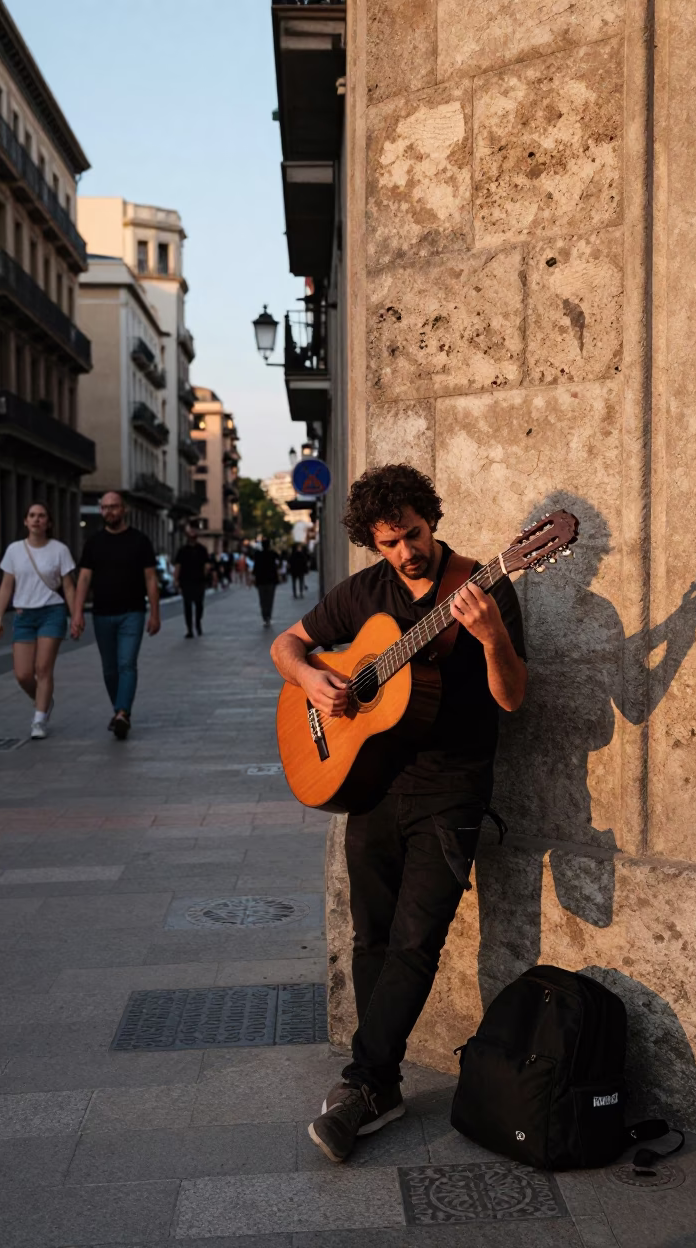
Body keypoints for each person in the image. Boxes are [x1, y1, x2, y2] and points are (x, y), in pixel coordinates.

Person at [271, 463, 527, 1163]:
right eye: (388, 542)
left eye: (412, 534)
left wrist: (494, 638)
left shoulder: (482, 584)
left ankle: (364, 1083)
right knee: (370, 937)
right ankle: (378, 1083)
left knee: (417, 940)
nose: (405, 552)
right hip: (374, 785)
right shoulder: (367, 593)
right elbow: (285, 643)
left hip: (451, 790)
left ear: (430, 517)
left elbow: (512, 699)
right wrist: (312, 677)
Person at [71, 492, 160, 740]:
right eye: (105, 507)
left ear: (124, 509)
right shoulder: (94, 543)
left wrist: (155, 613)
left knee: (126, 664)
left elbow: (151, 579)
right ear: (101, 511)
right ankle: (119, 711)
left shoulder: (140, 541)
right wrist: (77, 613)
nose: (110, 511)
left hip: (132, 613)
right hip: (102, 615)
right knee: (110, 669)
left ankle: (122, 712)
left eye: (114, 507)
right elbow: (84, 579)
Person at [0, 502, 77, 739]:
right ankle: (43, 700)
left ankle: (39, 720)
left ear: (48, 523)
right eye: (32, 515)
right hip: (24, 616)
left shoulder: (59, 550)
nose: (36, 519)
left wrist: (76, 616)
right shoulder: (14, 550)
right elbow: (6, 587)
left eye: (42, 516)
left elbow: (69, 587)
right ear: (25, 521)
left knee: (43, 668)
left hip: (52, 612)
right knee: (23, 674)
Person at [173, 528, 212, 638]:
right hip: (186, 581)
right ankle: (190, 629)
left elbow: (207, 565)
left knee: (199, 604)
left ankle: (198, 622)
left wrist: (206, 575)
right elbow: (178, 566)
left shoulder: (202, 550)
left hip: (199, 581)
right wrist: (176, 579)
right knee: (188, 606)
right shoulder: (182, 550)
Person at [252, 538, 280, 627]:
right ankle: (268, 617)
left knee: (262, 600)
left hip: (260, 580)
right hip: (271, 580)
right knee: (270, 600)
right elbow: (280, 561)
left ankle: (264, 617)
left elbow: (255, 568)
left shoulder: (257, 555)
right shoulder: (272, 554)